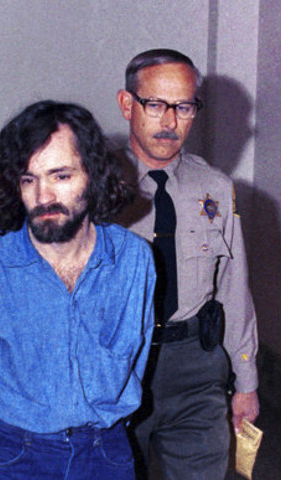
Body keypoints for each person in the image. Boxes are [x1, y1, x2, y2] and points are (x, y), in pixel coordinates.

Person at [0, 100, 156, 479]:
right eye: (29, 179)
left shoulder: (132, 259)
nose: (43, 197)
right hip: (11, 454)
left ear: (93, 176)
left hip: (105, 453)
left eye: (60, 176)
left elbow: (135, 361)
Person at [115, 49, 259, 479]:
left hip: (196, 364)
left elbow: (233, 285)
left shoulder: (214, 187)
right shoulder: (96, 185)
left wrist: (246, 380)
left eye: (184, 107)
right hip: (119, 363)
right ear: (127, 104)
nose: (170, 121)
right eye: (155, 104)